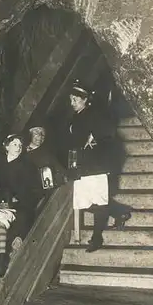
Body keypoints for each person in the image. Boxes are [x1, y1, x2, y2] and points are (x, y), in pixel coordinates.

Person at [60, 80, 132, 252]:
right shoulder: (75, 117)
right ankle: (119, 211)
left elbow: (109, 132)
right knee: (84, 202)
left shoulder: (95, 113)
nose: (72, 103)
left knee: (99, 202)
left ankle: (97, 238)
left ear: (85, 99)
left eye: (75, 100)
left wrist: (95, 136)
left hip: (96, 165)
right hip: (81, 165)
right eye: (71, 100)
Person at [0, 134, 44, 277]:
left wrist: (18, 199)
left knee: (22, 218)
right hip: (1, 204)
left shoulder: (27, 166)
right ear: (7, 146)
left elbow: (34, 190)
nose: (18, 148)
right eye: (15, 144)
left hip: (21, 203)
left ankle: (13, 245)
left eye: (20, 145)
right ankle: (0, 257)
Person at [26, 126, 68, 191]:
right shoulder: (22, 152)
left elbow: (60, 169)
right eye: (36, 133)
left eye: (42, 134)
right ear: (30, 135)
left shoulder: (46, 152)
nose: (40, 136)